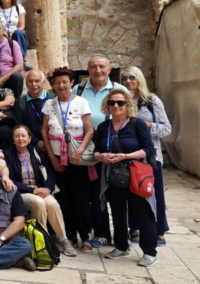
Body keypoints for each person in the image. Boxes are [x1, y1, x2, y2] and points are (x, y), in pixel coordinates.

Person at [93, 89, 159, 267]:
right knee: (117, 212)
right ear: (107, 105)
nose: (116, 106)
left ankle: (150, 252)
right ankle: (121, 246)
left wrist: (124, 156)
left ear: (127, 105)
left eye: (120, 103)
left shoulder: (137, 124)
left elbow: (148, 149)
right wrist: (101, 156)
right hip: (113, 176)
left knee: (143, 212)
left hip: (135, 174)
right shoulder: (103, 127)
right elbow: (96, 150)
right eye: (112, 102)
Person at [75, 54, 128, 248]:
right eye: (94, 66)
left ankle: (120, 235)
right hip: (87, 149)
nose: (98, 70)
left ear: (109, 69)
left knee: (114, 193)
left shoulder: (119, 90)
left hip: (113, 148)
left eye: (102, 67)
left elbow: (130, 118)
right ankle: (99, 232)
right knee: (94, 192)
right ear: (88, 69)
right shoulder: (78, 89)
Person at [42, 67, 95, 254]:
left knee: (80, 197)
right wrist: (51, 158)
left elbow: (89, 130)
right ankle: (70, 234)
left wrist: (79, 151)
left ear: (71, 82)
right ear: (53, 85)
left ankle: (85, 235)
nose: (61, 85)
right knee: (63, 197)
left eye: (65, 81)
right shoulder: (49, 104)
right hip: (58, 159)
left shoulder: (81, 103)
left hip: (77, 158)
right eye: (57, 82)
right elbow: (44, 132)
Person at [5, 125, 78, 257]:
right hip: (21, 193)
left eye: (23, 135)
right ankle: (43, 240)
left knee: (53, 204)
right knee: (38, 202)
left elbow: (50, 174)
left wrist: (48, 189)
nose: (20, 138)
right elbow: (10, 180)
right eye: (17, 136)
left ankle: (63, 239)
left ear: (29, 138)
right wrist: (33, 190)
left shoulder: (36, 151)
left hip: (41, 190)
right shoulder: (8, 154)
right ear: (13, 139)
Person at [121, 66, 172, 244]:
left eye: (132, 77)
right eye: (124, 78)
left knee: (154, 193)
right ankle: (134, 227)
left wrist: (147, 126)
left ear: (139, 79)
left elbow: (166, 128)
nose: (128, 81)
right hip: (130, 157)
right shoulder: (121, 101)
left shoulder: (151, 101)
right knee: (133, 193)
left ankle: (159, 232)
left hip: (150, 157)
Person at [12, 69, 53, 148]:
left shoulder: (53, 99)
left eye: (37, 81)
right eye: (30, 81)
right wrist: (36, 142)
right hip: (30, 144)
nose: (34, 84)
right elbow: (19, 125)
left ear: (43, 82)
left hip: (53, 143)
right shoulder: (20, 102)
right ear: (26, 82)